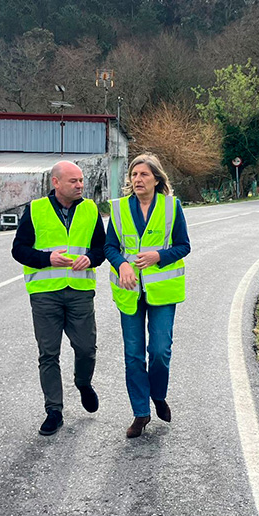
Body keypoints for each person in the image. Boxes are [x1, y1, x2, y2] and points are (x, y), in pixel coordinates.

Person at [12, 160, 106, 436]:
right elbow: (19, 250)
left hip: (80, 292)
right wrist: (46, 259)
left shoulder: (90, 209)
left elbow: (101, 248)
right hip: (45, 294)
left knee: (86, 349)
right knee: (48, 354)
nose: (80, 185)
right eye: (73, 181)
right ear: (56, 183)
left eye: (81, 180)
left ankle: (83, 382)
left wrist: (91, 259)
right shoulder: (36, 209)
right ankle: (54, 410)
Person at [104, 153, 191, 438]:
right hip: (129, 290)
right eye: (134, 174)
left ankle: (158, 395)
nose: (138, 179)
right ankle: (141, 412)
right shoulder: (119, 209)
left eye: (144, 174)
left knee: (160, 351)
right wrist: (122, 264)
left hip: (161, 291)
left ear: (156, 179)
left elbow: (184, 245)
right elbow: (109, 247)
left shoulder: (171, 206)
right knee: (133, 355)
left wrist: (159, 256)